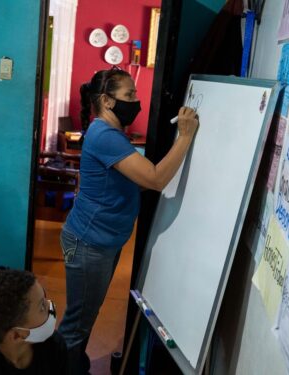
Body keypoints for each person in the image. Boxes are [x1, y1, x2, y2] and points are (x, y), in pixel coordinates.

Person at [59, 67, 199, 373]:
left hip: (102, 241)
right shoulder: (104, 135)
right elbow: (155, 179)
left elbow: (128, 181)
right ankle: (63, 367)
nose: (136, 101)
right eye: (129, 95)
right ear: (107, 101)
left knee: (85, 317)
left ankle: (73, 364)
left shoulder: (110, 134)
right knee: (77, 323)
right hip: (88, 242)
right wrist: (186, 136)